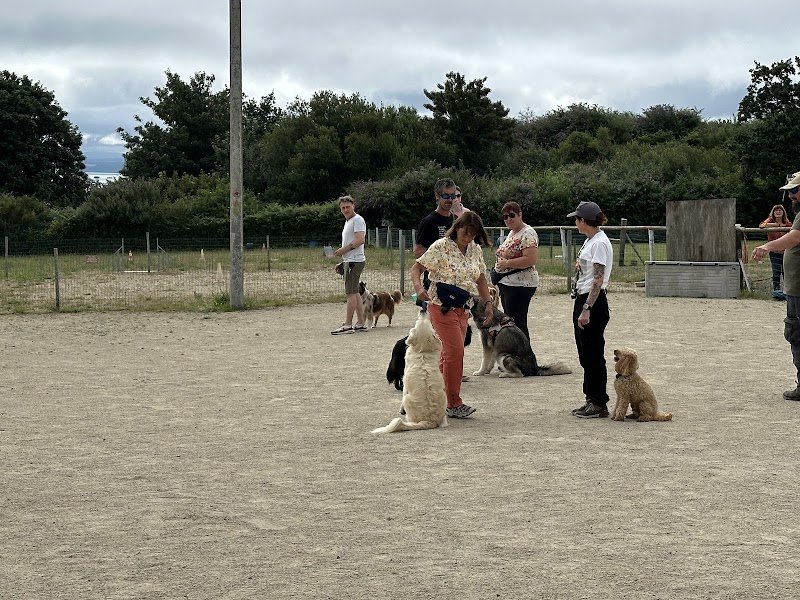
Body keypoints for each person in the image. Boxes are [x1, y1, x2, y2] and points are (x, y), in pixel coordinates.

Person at [411, 212, 495, 418]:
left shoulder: (475, 249)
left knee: (447, 356)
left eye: (473, 234)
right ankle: (454, 402)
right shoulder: (441, 246)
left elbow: (481, 279)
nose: (468, 237)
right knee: (455, 353)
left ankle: (431, 397)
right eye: (465, 232)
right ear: (457, 227)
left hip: (463, 308)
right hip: (441, 306)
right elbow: (416, 268)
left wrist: (489, 304)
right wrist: (418, 287)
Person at [752, 172, 800, 401]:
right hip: (794, 288)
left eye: (794, 190)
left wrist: (767, 246)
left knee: (796, 333)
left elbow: (794, 238)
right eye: (790, 191)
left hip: (798, 290)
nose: (791, 195)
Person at [568, 201, 613, 419]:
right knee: (585, 353)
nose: (575, 223)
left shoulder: (599, 244)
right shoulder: (591, 241)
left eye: (577, 219)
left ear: (584, 221)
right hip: (584, 299)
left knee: (593, 354)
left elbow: (598, 279)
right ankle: (590, 398)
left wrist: (587, 309)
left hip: (592, 302)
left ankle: (598, 402)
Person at [493, 201, 539, 341]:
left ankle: (524, 356)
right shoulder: (512, 233)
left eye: (512, 215)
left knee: (518, 323)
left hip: (520, 285)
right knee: (511, 322)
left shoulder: (528, 233)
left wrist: (507, 263)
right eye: (505, 216)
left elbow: (530, 259)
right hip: (508, 284)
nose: (508, 219)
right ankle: (516, 353)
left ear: (520, 215)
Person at [330, 195, 367, 335]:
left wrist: (342, 251)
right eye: (343, 208)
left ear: (353, 206)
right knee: (355, 291)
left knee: (350, 292)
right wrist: (343, 260)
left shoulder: (357, 220)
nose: (345, 209)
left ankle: (348, 324)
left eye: (348, 207)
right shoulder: (349, 221)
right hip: (351, 261)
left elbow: (360, 240)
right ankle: (361, 322)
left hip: (354, 261)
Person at [413, 178, 457, 259]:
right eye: (446, 196)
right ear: (437, 196)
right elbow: (418, 251)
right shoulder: (428, 222)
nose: (449, 199)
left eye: (452, 196)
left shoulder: (456, 220)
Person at [759, 204, 792, 298]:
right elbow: (762, 225)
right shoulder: (770, 221)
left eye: (780, 210)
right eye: (776, 210)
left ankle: (788, 292)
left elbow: (794, 230)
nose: (778, 212)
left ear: (783, 212)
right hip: (774, 252)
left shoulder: (788, 223)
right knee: (776, 271)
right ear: (773, 212)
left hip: (786, 251)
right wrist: (777, 225)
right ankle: (776, 291)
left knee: (786, 271)